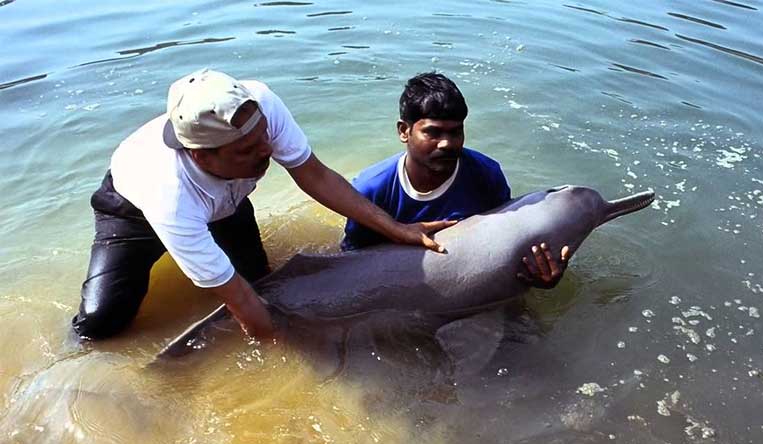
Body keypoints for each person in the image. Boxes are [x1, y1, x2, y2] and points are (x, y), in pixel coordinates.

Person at [72, 68, 453, 341]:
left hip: (228, 199)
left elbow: (315, 176)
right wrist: (284, 362)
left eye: (264, 136)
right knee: (101, 324)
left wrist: (398, 229)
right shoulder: (168, 193)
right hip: (131, 213)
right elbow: (239, 302)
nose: (268, 151)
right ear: (202, 157)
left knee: (264, 284)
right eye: (249, 150)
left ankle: (208, 249)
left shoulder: (261, 104)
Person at [341, 72, 570, 287]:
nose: (447, 143)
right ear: (404, 131)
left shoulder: (486, 175)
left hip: (467, 285)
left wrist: (540, 276)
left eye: (455, 132)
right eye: (433, 132)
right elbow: (350, 265)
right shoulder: (371, 189)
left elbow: (505, 245)